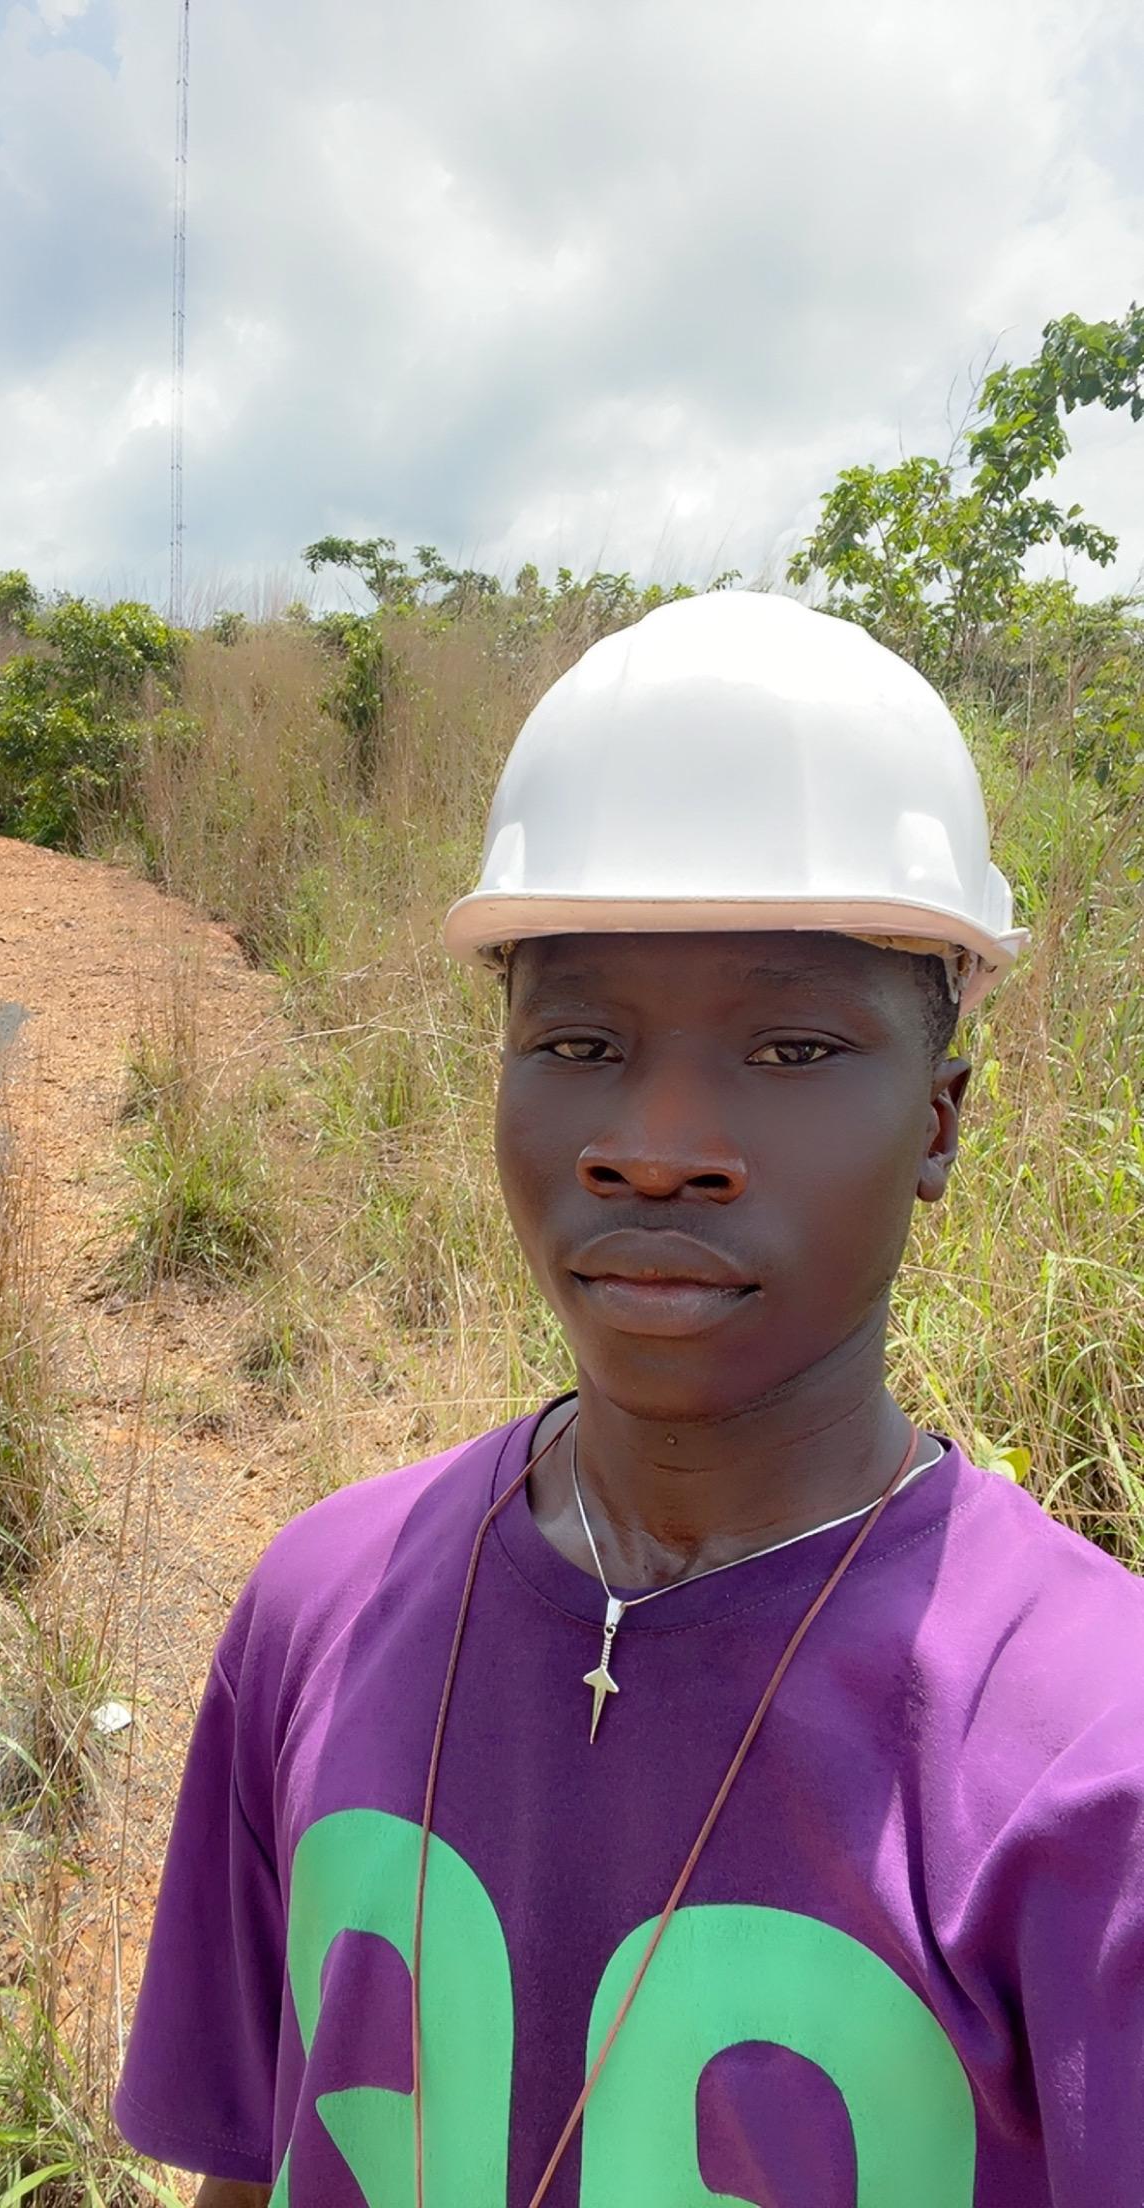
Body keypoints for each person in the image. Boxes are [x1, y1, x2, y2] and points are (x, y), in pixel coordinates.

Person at [114, 591, 1144, 2207]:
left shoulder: (1084, 1752)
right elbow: (259, 2161)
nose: (654, 1147)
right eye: (580, 1041)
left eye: (792, 1051)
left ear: (940, 1123)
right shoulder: (319, 1606)